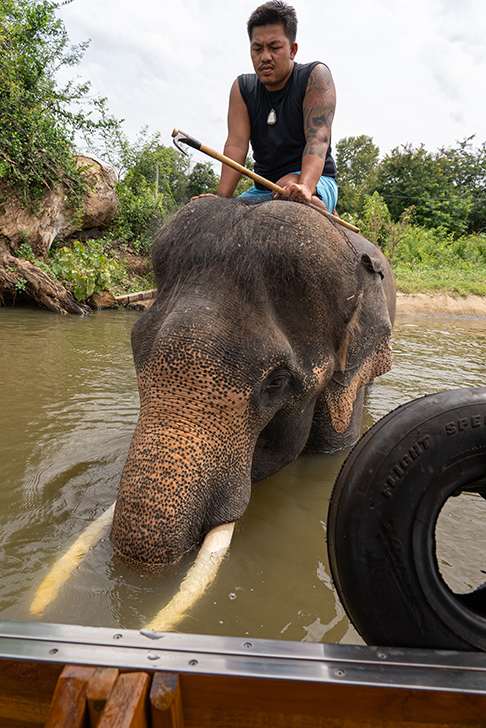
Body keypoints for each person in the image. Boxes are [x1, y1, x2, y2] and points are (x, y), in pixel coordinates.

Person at [194, 0, 337, 212]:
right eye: (257, 49)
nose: (265, 57)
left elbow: (318, 139)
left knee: (286, 187)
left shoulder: (315, 77)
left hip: (314, 181)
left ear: (292, 50)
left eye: (274, 47)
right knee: (221, 213)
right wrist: (221, 198)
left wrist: (305, 187)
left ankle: (320, 203)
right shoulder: (242, 88)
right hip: (262, 189)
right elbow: (236, 145)